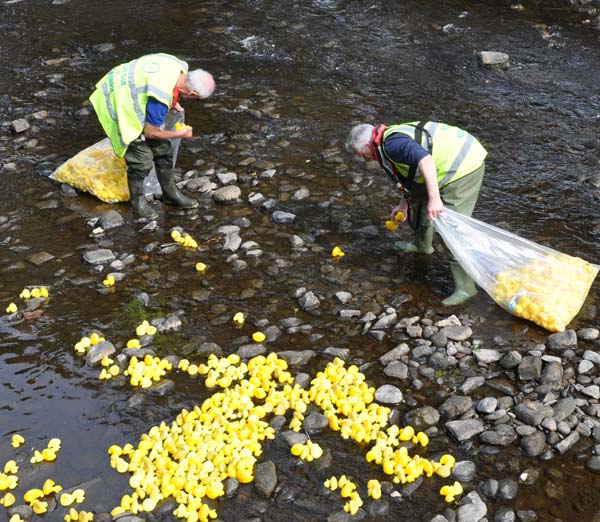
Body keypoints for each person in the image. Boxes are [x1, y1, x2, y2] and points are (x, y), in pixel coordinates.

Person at [345, 121, 487, 306]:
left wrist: (435, 198)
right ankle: (422, 245)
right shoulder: (385, 141)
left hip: (464, 165)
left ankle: (466, 289)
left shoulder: (392, 144)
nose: (363, 159)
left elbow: (425, 160)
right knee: (419, 204)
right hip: (448, 158)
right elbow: (412, 176)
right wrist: (403, 204)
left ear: (366, 146)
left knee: (452, 231)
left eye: (361, 155)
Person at [89, 53, 215, 218]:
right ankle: (138, 202)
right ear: (191, 94)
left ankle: (170, 194)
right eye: (195, 99)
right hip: (115, 98)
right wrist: (180, 133)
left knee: (164, 149)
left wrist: (174, 100)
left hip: (125, 81)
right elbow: (151, 132)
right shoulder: (160, 99)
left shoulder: (178, 66)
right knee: (141, 158)